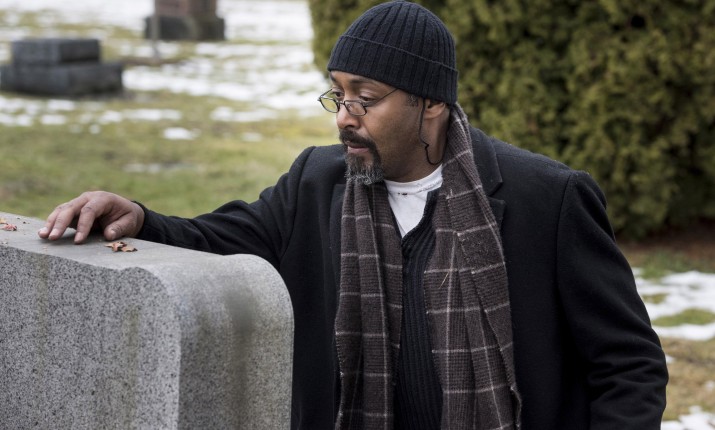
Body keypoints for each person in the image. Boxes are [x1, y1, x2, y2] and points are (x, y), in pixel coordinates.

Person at [39, 1, 668, 429]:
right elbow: (218, 237)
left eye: (366, 98)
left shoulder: (547, 200)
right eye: (338, 95)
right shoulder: (316, 183)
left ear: (431, 105)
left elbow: (629, 365)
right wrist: (139, 217)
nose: (344, 116)